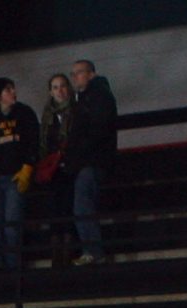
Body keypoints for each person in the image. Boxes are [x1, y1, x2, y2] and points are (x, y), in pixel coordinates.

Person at [0, 77, 38, 273]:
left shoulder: (25, 113)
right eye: (7, 90)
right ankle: (0, 267)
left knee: (12, 224)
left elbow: (33, 142)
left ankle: (14, 267)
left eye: (13, 88)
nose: (13, 92)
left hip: (15, 177)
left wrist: (28, 167)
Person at [68, 59, 117, 264]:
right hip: (92, 160)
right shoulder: (92, 95)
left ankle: (93, 251)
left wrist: (79, 151)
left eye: (78, 72)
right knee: (84, 205)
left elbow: (97, 128)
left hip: (92, 161)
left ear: (91, 74)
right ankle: (92, 250)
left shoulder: (96, 96)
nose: (75, 77)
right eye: (74, 73)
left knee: (83, 206)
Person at [37, 74, 76, 267]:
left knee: (68, 207)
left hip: (71, 167)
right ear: (50, 91)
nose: (59, 91)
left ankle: (67, 251)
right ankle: (56, 252)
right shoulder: (47, 114)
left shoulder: (77, 109)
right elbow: (43, 143)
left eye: (62, 86)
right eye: (55, 87)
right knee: (54, 208)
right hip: (52, 170)